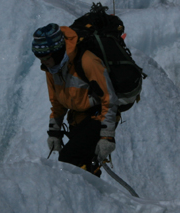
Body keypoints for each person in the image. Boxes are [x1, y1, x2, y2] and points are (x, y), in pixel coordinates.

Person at [32, 23, 118, 176]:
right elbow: (57, 102)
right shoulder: (52, 69)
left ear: (56, 52)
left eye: (45, 58)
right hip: (78, 119)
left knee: (68, 160)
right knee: (80, 164)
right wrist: (54, 132)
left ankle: (85, 194)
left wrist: (107, 136)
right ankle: (89, 194)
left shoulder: (87, 61)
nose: (42, 62)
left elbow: (109, 98)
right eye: (40, 58)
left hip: (98, 117)